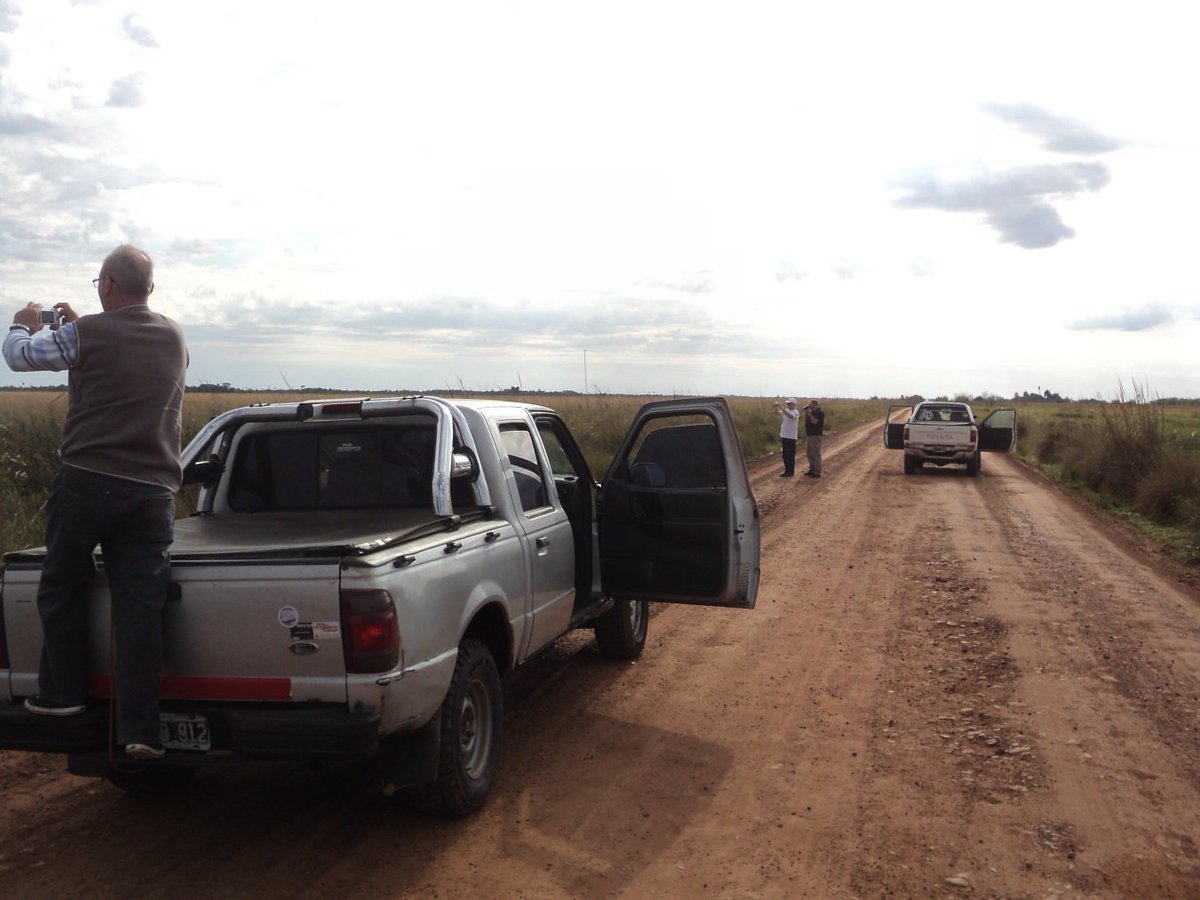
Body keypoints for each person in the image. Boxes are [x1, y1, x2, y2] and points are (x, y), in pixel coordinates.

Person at [3, 245, 188, 761]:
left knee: (63, 583)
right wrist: (83, 326)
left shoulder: (87, 335)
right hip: (153, 494)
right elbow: (121, 350)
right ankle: (140, 731)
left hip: (88, 480)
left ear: (107, 282)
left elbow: (20, 358)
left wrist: (24, 324)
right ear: (146, 288)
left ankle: (62, 696)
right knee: (140, 609)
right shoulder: (174, 334)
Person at [773, 398, 800, 477]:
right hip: (784, 435)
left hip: (791, 437)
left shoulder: (795, 412)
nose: (788, 405)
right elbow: (776, 413)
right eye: (787, 404)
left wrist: (781, 407)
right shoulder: (786, 411)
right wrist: (775, 407)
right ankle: (786, 470)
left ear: (793, 404)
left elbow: (790, 416)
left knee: (790, 455)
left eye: (789, 403)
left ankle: (791, 471)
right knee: (785, 454)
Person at [804, 399, 826, 477]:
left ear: (815, 404)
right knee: (809, 453)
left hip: (816, 435)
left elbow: (814, 422)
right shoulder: (811, 413)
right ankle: (812, 469)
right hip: (809, 435)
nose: (809, 406)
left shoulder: (820, 413)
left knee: (815, 454)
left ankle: (817, 472)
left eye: (811, 404)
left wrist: (809, 414)